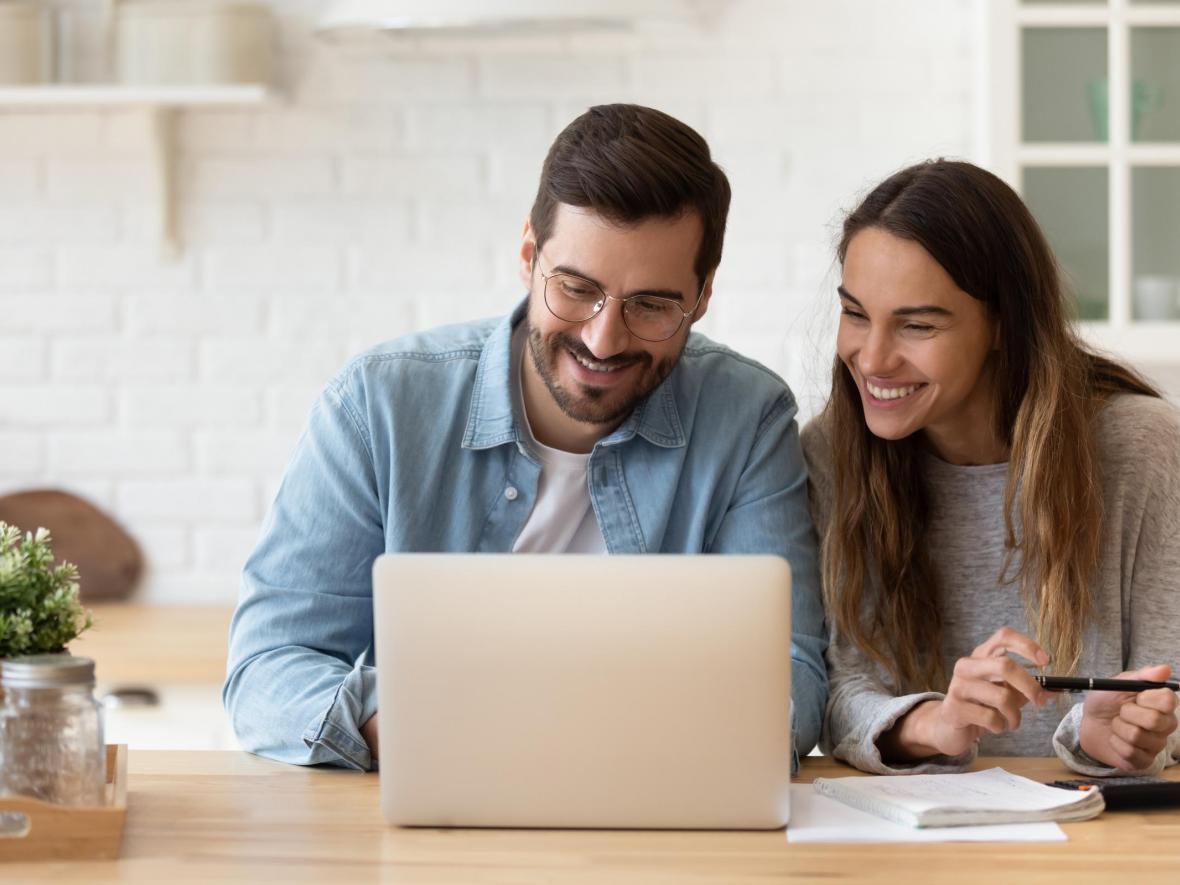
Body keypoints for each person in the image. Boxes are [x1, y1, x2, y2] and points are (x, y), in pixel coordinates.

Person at [223, 104, 828, 771]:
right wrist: (400, 723)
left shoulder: (748, 419)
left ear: (703, 294)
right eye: (576, 289)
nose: (604, 338)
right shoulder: (378, 405)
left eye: (651, 305)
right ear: (528, 257)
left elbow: (790, 673)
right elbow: (266, 667)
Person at [803, 159, 1180, 776]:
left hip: (1101, 843)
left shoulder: (1144, 450)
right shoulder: (831, 453)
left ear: (1005, 324)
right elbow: (842, 690)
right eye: (855, 313)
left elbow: (1171, 686)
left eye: (917, 325)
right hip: (910, 838)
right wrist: (938, 724)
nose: (871, 357)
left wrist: (1117, 735)